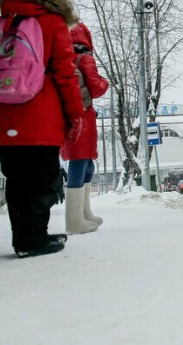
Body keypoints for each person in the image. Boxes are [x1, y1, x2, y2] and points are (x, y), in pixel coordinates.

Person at [0, 0, 84, 258]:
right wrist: (75, 113)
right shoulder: (52, 22)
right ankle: (33, 239)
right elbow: (66, 74)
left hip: (1, 111)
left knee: (17, 179)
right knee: (41, 178)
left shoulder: (2, 21)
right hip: (39, 117)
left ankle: (24, 237)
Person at [61, 21, 109, 235]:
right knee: (80, 163)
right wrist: (104, 82)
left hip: (69, 116)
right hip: (83, 116)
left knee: (86, 163)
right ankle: (74, 220)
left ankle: (84, 212)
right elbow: (97, 87)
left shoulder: (62, 58)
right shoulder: (84, 58)